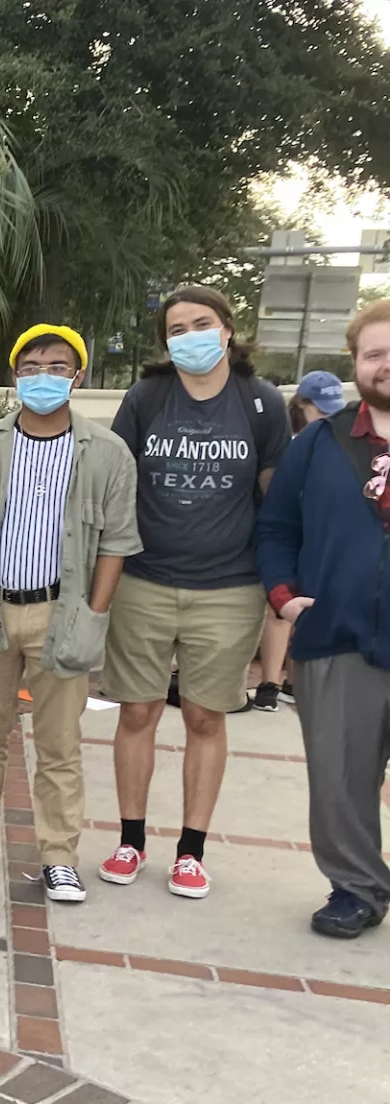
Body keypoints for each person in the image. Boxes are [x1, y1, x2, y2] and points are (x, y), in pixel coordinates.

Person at [0, 326, 140, 904]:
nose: (43, 376)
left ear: (79, 375)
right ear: (15, 373)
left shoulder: (108, 452)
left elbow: (116, 542)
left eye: (58, 366)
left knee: (59, 745)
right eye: (32, 365)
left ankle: (59, 856)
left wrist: (94, 611)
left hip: (61, 612)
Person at [100, 286, 289, 899]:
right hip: (145, 580)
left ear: (229, 329)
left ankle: (191, 851)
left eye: (201, 324)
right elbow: (115, 481)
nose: (190, 337)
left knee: (206, 716)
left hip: (229, 588)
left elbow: (275, 496)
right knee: (138, 711)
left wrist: (283, 578)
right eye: (176, 329)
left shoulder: (261, 404)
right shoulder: (147, 397)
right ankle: (130, 840)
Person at [256, 301, 390, 939]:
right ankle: (356, 888)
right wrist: (285, 596)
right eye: (374, 354)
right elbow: (277, 527)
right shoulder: (318, 444)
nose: (386, 364)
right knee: (340, 774)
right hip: (337, 635)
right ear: (356, 365)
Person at [254, 369, 349, 710]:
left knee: (306, 608)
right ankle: (269, 682)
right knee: (279, 608)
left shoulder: (342, 443)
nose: (327, 416)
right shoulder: (290, 445)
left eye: (332, 408)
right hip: (289, 534)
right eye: (319, 409)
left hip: (319, 538)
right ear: (301, 406)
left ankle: (295, 681)